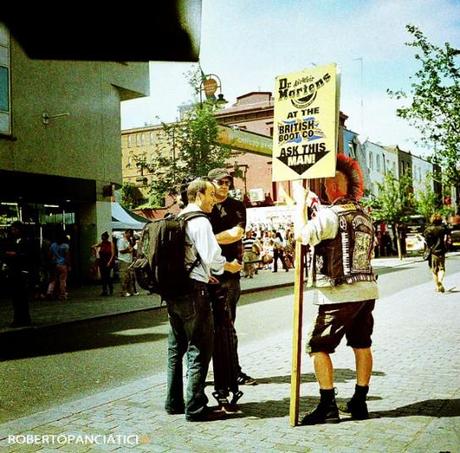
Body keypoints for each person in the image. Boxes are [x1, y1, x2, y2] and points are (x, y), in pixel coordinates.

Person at [294, 154, 379, 425]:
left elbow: (303, 235)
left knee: (317, 346)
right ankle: (359, 401)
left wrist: (299, 205)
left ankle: (327, 405)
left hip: (338, 292)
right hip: (367, 291)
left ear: (332, 187)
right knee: (362, 343)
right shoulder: (365, 214)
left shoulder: (331, 215)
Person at [165, 178, 242, 422]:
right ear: (198, 195)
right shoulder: (199, 221)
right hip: (194, 293)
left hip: (174, 292)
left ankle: (173, 401)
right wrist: (228, 266)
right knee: (199, 348)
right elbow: (212, 258)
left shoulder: (178, 219)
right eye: (210, 194)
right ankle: (196, 407)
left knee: (176, 349)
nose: (214, 199)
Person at [208, 167, 256, 386]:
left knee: (227, 326)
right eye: (221, 182)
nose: (225, 186)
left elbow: (236, 234)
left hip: (229, 275)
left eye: (228, 182)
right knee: (203, 328)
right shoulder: (203, 206)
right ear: (210, 184)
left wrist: (205, 240)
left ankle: (233, 371)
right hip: (205, 275)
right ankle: (200, 373)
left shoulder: (236, 206)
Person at [3, 221, 35, 327]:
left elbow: (29, 255)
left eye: (15, 229)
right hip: (15, 271)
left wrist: (16, 254)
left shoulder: (26, 241)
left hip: (21, 271)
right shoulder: (12, 240)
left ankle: (23, 318)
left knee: (21, 296)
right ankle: (20, 318)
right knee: (16, 297)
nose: (13, 231)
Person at [423, 213, 448, 293]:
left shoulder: (428, 230)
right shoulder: (443, 229)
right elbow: (446, 237)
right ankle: (440, 280)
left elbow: (427, 242)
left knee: (434, 270)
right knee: (442, 268)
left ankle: (437, 286)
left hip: (433, 252)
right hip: (441, 250)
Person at [47, 231, 71, 301]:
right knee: (62, 280)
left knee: (53, 279)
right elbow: (67, 257)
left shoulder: (53, 245)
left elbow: (49, 255)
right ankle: (62, 294)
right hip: (62, 264)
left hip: (54, 264)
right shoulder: (65, 246)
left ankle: (49, 292)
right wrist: (69, 265)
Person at [92, 231, 115, 296]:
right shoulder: (101, 244)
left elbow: (113, 254)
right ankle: (104, 290)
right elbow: (93, 246)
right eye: (102, 237)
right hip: (102, 261)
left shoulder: (110, 244)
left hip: (108, 261)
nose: (102, 238)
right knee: (103, 276)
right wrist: (95, 249)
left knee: (107, 276)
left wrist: (109, 262)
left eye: (103, 237)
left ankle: (110, 288)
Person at [117, 230, 135, 297]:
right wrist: (128, 250)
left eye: (131, 234)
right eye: (130, 233)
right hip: (123, 260)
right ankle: (123, 291)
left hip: (129, 260)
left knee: (129, 277)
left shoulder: (128, 241)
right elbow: (121, 250)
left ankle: (129, 291)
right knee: (124, 276)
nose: (130, 235)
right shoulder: (121, 241)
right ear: (126, 233)